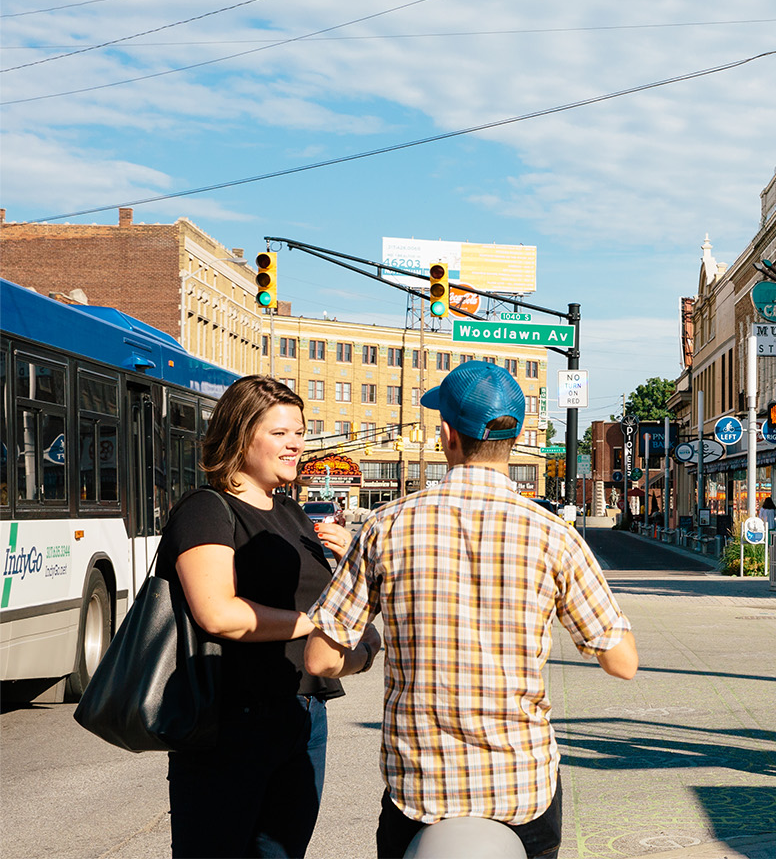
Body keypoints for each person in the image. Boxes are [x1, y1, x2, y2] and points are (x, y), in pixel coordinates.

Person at [304, 361, 638, 858]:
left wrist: (368, 651)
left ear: (446, 434)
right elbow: (622, 662)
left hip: (419, 790)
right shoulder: (555, 537)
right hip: (522, 787)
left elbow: (321, 660)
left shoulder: (386, 526)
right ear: (517, 434)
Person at [155, 375, 367, 858]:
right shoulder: (206, 510)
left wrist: (354, 564)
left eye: (299, 432)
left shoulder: (292, 515)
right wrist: (317, 623)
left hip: (303, 715)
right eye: (279, 433)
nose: (295, 444)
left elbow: (332, 601)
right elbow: (220, 614)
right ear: (239, 434)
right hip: (230, 723)